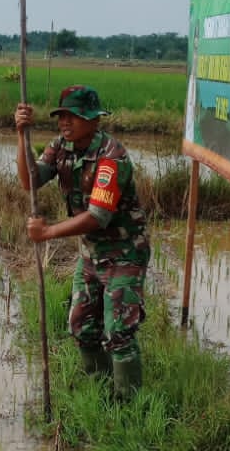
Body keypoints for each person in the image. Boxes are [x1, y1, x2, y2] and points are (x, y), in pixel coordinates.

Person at [15, 85, 151, 400]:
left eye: (74, 116)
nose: (66, 122)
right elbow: (29, 180)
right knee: (82, 327)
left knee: (119, 331)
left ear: (94, 119)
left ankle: (127, 405)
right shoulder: (60, 147)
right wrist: (21, 136)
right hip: (91, 254)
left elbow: (97, 217)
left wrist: (47, 233)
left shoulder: (111, 156)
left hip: (125, 253)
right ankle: (99, 391)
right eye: (62, 115)